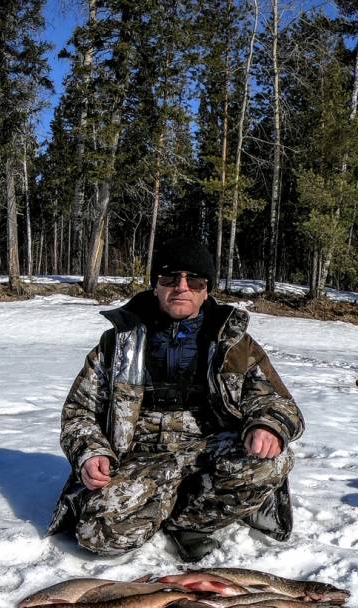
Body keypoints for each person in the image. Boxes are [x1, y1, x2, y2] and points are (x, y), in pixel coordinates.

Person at [47, 237, 304, 561]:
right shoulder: (117, 343)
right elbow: (79, 411)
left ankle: (190, 524)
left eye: (193, 280)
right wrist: (90, 453)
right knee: (97, 535)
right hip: (139, 458)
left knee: (272, 460)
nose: (181, 287)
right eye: (170, 278)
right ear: (156, 285)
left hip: (208, 452)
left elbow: (278, 402)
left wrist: (268, 426)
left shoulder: (235, 344)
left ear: (205, 289)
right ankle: (164, 501)